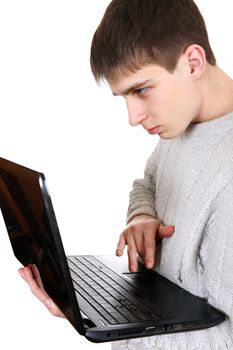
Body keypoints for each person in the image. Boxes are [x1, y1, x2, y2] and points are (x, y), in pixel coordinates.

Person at [19, 0, 233, 349]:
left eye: (141, 89)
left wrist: (112, 319)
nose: (133, 117)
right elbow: (148, 181)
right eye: (123, 97)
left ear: (193, 62)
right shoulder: (185, 123)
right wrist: (143, 214)